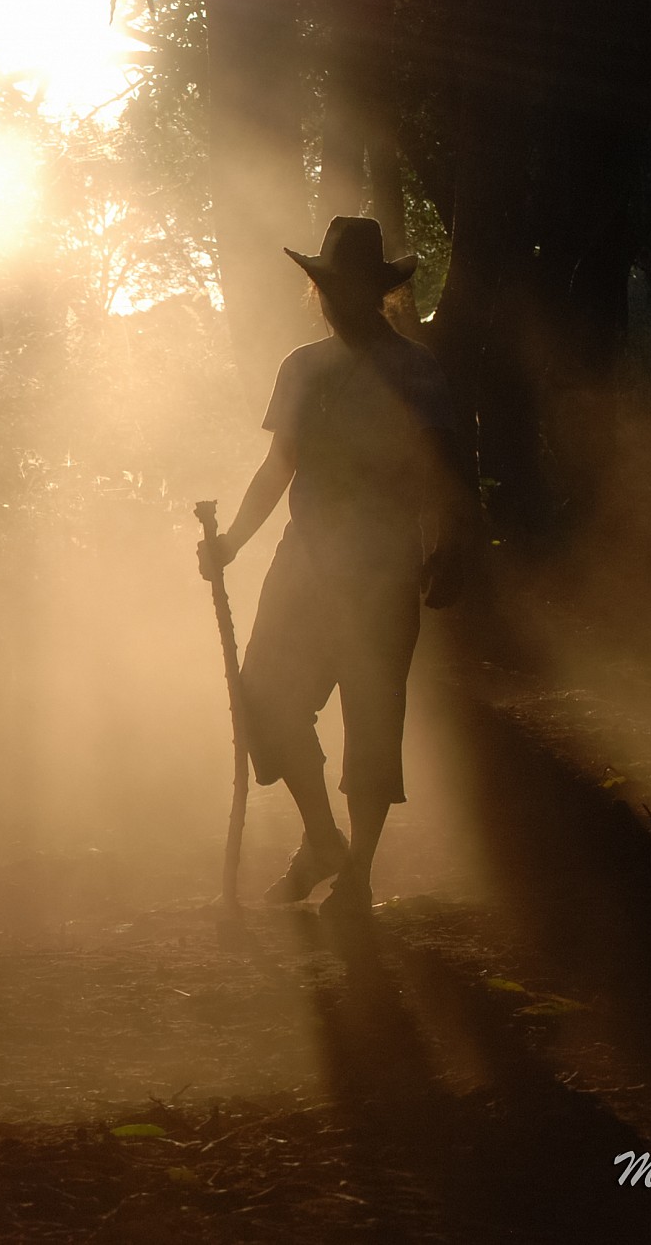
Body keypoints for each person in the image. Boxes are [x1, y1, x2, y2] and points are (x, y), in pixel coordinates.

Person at [198, 216, 476, 920]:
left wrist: (452, 541)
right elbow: (279, 466)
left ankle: (359, 874)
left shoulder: (417, 370)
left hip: (382, 566)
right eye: (330, 287)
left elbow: (448, 468)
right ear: (321, 293)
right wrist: (230, 541)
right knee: (264, 693)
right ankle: (323, 841)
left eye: (348, 288)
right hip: (305, 560)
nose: (336, 299)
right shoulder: (303, 367)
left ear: (375, 293)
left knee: (372, 715)